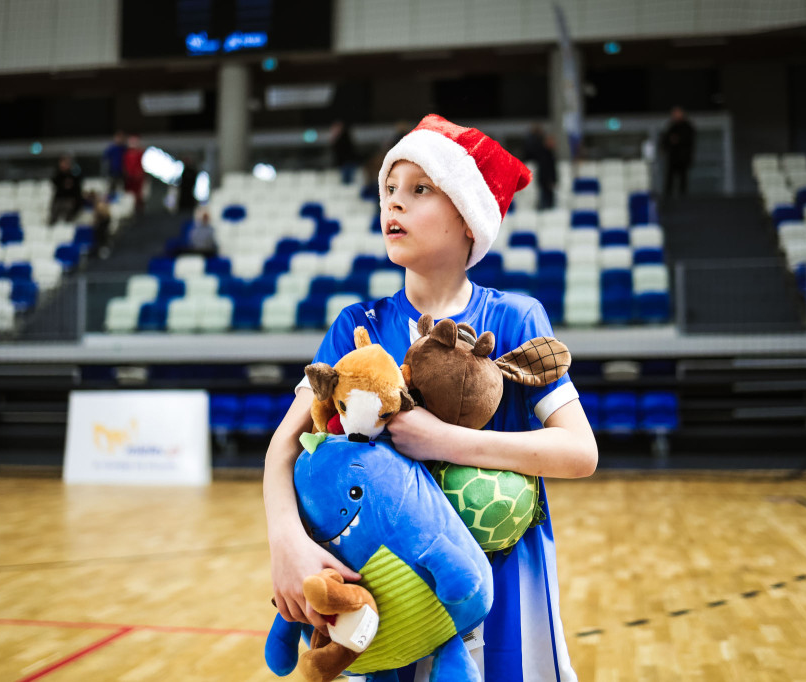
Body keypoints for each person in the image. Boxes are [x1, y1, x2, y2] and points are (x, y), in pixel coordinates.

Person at [264, 114, 597, 681]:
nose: (394, 203)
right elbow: (284, 450)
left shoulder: (514, 318)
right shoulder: (356, 326)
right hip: (385, 586)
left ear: (468, 220)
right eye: (389, 190)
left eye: (420, 189)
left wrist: (445, 441)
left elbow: (579, 452)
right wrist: (286, 543)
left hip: (504, 582)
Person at [660, 106, 695, 199]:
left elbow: (688, 141)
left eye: (677, 113)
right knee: (670, 178)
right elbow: (666, 140)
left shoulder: (687, 127)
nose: (675, 116)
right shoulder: (672, 126)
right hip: (673, 158)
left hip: (683, 157)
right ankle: (668, 198)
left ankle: (683, 198)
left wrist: (677, 140)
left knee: (683, 179)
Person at [523, 124, 558, 210]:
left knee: (549, 203)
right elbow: (546, 169)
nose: (553, 143)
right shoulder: (542, 153)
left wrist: (553, 180)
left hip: (547, 182)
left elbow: (552, 169)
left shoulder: (550, 154)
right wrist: (550, 180)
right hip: (544, 181)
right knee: (545, 202)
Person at [48, 155, 82, 225]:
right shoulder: (57, 174)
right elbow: (54, 183)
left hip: (70, 200)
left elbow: (77, 189)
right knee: (54, 213)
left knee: (69, 214)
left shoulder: (74, 175)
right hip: (59, 199)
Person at [122, 135, 146, 217]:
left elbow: (141, 165)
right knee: (130, 196)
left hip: (138, 179)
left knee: (138, 195)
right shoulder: (127, 154)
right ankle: (130, 211)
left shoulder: (140, 153)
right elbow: (126, 166)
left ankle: (139, 211)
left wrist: (139, 174)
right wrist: (128, 174)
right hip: (130, 179)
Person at [103, 131, 127, 197]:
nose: (119, 140)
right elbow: (105, 161)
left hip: (122, 173)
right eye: (118, 138)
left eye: (121, 138)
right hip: (112, 173)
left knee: (121, 189)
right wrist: (105, 173)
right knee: (111, 189)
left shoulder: (124, 148)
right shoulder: (111, 149)